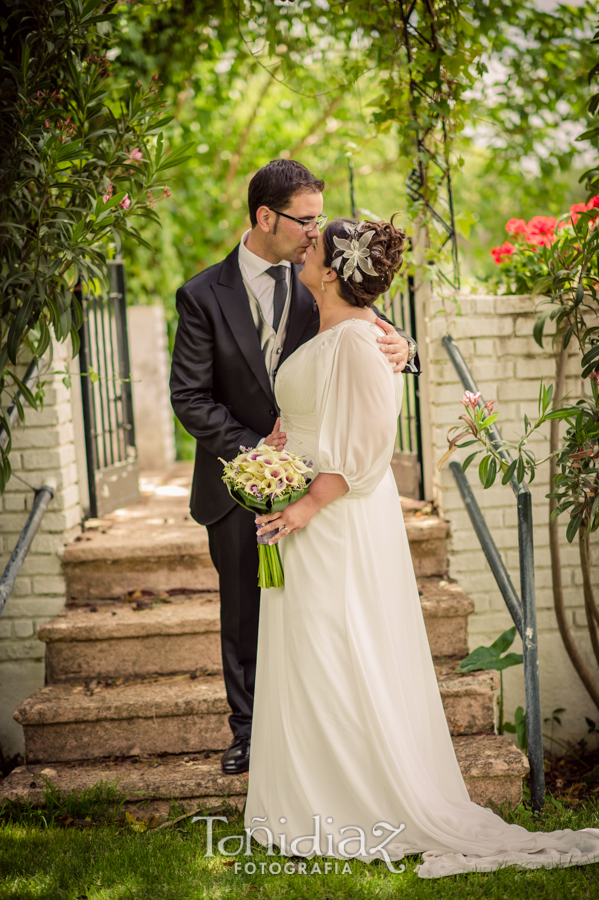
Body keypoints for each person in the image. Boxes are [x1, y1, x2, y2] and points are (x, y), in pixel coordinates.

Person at [245, 215, 599, 878]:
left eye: (313, 244)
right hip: (304, 508)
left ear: (332, 269)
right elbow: (313, 413)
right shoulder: (336, 332)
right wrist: (273, 453)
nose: (303, 246)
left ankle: (356, 805)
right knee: (311, 653)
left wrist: (305, 504)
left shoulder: (357, 339)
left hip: (335, 519)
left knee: (339, 646)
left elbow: (371, 442)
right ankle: (313, 800)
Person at [170, 160, 419, 776]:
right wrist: (261, 456)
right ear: (264, 217)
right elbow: (190, 397)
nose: (316, 234)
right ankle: (248, 730)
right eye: (305, 221)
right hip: (238, 478)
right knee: (245, 609)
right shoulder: (202, 294)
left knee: (302, 612)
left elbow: (366, 335)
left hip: (320, 481)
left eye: (317, 221)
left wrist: (405, 349)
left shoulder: (319, 281)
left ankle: (306, 730)